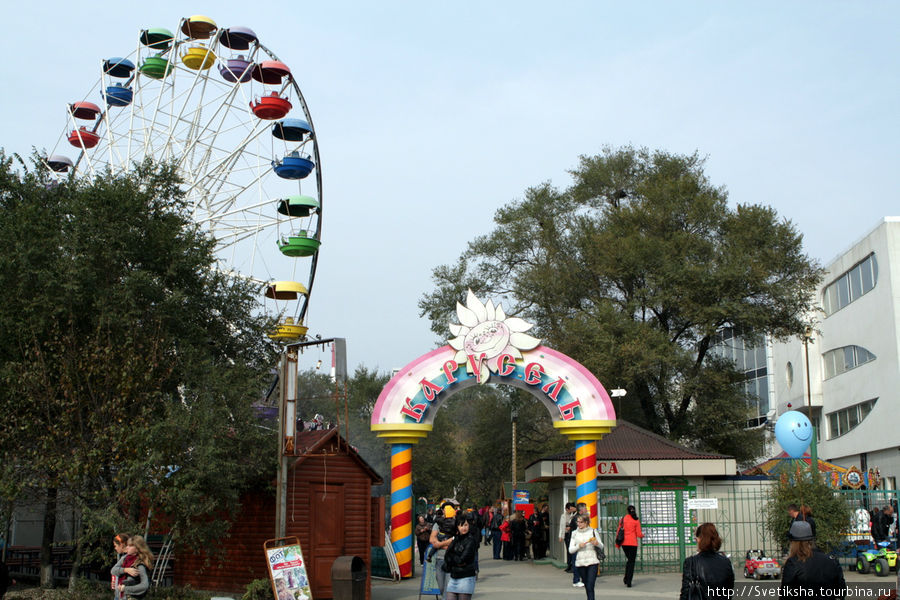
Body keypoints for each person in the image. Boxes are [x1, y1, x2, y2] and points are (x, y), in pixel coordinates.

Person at [780, 521, 846, 599]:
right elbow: (841, 592)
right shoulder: (831, 560)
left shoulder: (793, 563)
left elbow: (785, 594)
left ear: (794, 543)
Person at [679, 523, 734, 600]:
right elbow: (729, 591)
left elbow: (685, 592)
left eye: (696, 539)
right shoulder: (726, 562)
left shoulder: (691, 562)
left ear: (699, 540)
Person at [443, 511, 479, 600]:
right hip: (454, 576)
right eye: (461, 525)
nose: (464, 528)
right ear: (457, 527)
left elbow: (461, 560)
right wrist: (453, 558)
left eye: (466, 525)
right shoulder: (456, 539)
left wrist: (452, 558)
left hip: (466, 577)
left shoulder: (471, 540)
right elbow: (446, 556)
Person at [568, 513, 602, 598]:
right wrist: (578, 546)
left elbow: (601, 546)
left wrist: (596, 543)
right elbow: (570, 550)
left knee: (590, 585)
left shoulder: (593, 531)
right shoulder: (574, 533)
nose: (578, 524)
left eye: (581, 522)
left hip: (592, 561)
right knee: (586, 584)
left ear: (586, 522)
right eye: (577, 522)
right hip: (580, 562)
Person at [111, 535, 153, 600]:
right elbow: (113, 570)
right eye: (127, 545)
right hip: (120, 596)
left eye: (130, 546)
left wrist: (125, 588)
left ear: (137, 549)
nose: (127, 547)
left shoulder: (139, 564)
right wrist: (125, 570)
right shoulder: (125, 558)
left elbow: (144, 585)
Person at [430, 502, 457, 599]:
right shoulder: (438, 524)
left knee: (448, 586)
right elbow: (432, 539)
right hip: (440, 559)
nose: (445, 512)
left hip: (452, 559)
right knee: (441, 586)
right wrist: (446, 544)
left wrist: (440, 544)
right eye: (444, 510)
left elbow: (456, 540)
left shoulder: (457, 524)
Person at [617, 504, 643, 587]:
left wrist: (617, 543)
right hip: (633, 543)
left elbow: (619, 531)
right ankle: (628, 580)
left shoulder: (623, 519)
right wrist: (642, 535)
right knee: (631, 562)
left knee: (629, 561)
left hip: (624, 543)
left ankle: (626, 578)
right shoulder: (636, 520)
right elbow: (639, 534)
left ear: (627, 511)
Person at [568, 503, 589, 585]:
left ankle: (582, 579)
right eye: (585, 508)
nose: (586, 510)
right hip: (577, 543)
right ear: (581, 511)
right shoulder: (577, 519)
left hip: (581, 543)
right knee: (576, 561)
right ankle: (576, 580)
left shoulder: (581, 518)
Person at [110, 533, 130, 598]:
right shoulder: (124, 557)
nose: (115, 548)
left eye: (115, 546)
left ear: (121, 545)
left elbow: (113, 570)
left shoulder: (126, 557)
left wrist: (125, 570)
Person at [560, 502, 576, 570]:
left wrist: (570, 527)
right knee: (568, 550)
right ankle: (569, 564)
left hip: (572, 534)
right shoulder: (563, 515)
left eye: (570, 509)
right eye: (568, 509)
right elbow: (561, 526)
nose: (569, 510)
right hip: (567, 534)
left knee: (572, 550)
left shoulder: (574, 514)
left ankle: (572, 565)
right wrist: (560, 536)